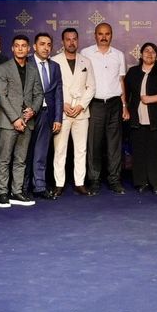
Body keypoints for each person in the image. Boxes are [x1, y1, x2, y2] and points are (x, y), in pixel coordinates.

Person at [0, 35, 44, 207]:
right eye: (17, 46)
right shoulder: (3, 68)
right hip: (8, 122)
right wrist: (15, 118)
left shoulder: (33, 69)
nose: (21, 48)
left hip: (27, 121)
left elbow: (39, 94)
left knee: (21, 160)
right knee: (4, 159)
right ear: (12, 48)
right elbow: (2, 96)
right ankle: (2, 193)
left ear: (28, 49)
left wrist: (33, 110)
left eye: (24, 46)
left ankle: (17, 191)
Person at [81, 23, 129, 194]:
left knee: (114, 145)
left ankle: (114, 180)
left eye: (107, 34)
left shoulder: (118, 55)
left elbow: (121, 81)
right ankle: (94, 180)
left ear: (111, 35)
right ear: (95, 35)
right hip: (95, 104)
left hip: (115, 104)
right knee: (94, 144)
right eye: (100, 34)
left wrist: (124, 106)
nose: (103, 37)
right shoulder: (85, 53)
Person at [50, 28, 94, 197]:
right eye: (68, 39)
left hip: (81, 113)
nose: (71, 42)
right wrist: (62, 104)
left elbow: (91, 87)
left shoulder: (86, 61)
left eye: (74, 39)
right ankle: (59, 184)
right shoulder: (54, 61)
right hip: (61, 112)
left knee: (81, 149)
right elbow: (50, 87)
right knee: (60, 149)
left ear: (78, 40)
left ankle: (79, 183)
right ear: (62, 42)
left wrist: (81, 106)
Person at [126, 42, 157, 194]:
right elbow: (125, 93)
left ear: (156, 55)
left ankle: (156, 183)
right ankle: (141, 182)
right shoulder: (133, 72)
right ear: (141, 54)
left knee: (156, 153)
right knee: (139, 152)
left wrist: (151, 99)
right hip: (137, 120)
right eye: (146, 51)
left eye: (153, 51)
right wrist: (125, 108)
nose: (149, 53)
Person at [27, 32, 63, 199]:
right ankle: (22, 187)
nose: (46, 48)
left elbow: (58, 93)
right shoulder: (26, 62)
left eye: (49, 45)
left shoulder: (55, 66)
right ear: (34, 46)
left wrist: (58, 118)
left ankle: (39, 186)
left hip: (47, 114)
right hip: (28, 114)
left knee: (41, 153)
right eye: (42, 44)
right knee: (24, 153)